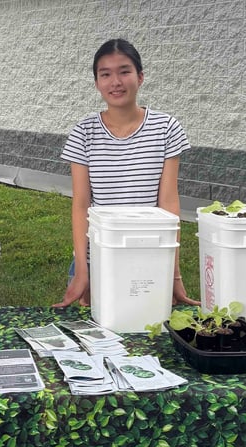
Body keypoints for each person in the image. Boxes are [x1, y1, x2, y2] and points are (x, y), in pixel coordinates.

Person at [53, 38, 201, 308]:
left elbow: (168, 204)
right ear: (97, 82)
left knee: (146, 328)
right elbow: (81, 205)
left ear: (140, 77)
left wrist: (174, 273)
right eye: (105, 74)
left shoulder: (166, 128)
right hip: (98, 255)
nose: (115, 82)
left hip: (150, 253)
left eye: (124, 71)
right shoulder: (83, 132)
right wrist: (82, 270)